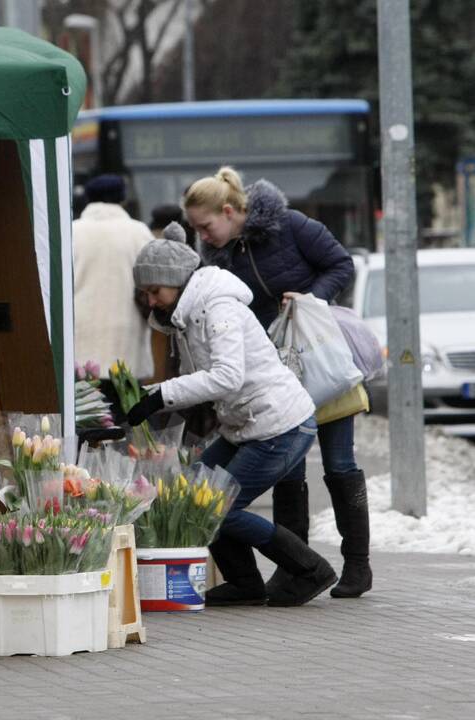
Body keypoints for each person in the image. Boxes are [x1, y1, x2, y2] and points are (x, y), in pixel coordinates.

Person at [183, 166, 370, 600]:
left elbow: (340, 264)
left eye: (206, 226)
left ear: (229, 211)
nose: (203, 236)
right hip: (274, 374)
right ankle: (295, 571)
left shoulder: (290, 225)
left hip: (320, 358)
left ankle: (358, 565)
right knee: (289, 474)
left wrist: (312, 298)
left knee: (340, 464)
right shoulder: (218, 258)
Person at [127, 227, 337, 606]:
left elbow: (226, 376)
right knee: (192, 494)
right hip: (247, 424)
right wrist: (145, 400)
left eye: (154, 290)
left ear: (175, 281)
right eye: (146, 293)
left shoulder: (217, 308)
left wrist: (162, 396)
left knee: (217, 506)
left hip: (280, 425)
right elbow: (201, 379)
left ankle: (310, 570)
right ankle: (245, 583)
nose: (150, 300)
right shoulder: (190, 315)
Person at [73, 174, 154, 382]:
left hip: (79, 346)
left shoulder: (72, 232)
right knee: (127, 411)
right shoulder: (139, 232)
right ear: (122, 199)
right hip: (128, 345)